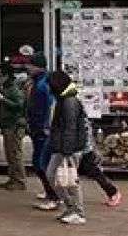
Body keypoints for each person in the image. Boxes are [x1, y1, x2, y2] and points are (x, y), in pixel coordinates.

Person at [45, 70, 90, 225]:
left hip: (68, 148)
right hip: (63, 146)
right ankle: (71, 207)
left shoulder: (69, 102)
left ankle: (78, 211)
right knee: (56, 176)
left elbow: (70, 128)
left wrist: (67, 152)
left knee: (70, 180)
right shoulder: (64, 100)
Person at [25, 54, 59, 211]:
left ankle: (54, 196)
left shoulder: (44, 83)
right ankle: (49, 192)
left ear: (37, 67)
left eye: (30, 65)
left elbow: (50, 105)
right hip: (37, 128)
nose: (27, 67)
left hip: (42, 130)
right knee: (39, 162)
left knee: (42, 163)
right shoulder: (38, 82)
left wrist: (46, 125)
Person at [0, 62, 28, 191]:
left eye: (0, 75)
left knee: (15, 153)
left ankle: (20, 180)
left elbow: (19, 105)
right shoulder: (7, 87)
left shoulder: (13, 88)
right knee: (9, 153)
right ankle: (12, 178)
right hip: (8, 124)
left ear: (6, 75)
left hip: (15, 125)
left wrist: (2, 99)